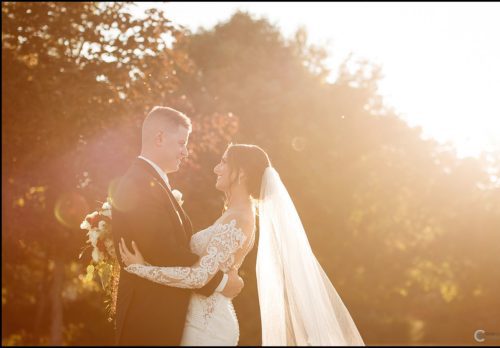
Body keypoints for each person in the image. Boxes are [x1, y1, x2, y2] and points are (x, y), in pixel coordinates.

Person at [120, 143, 366, 346]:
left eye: (224, 162)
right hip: (194, 318)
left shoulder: (240, 219)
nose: (217, 168)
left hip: (207, 327)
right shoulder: (233, 214)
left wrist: (141, 268)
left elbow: (199, 277)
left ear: (243, 172)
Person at [111, 106, 244, 346]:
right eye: (181, 143)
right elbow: (163, 251)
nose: (185, 152)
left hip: (161, 317)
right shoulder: (139, 183)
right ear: (160, 138)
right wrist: (220, 282)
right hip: (149, 321)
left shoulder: (150, 181)